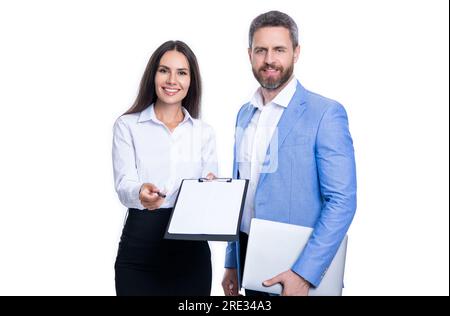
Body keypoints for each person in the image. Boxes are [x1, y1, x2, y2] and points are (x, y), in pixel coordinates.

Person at [222, 11, 357, 296]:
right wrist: (231, 262)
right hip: (249, 261)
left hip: (300, 269)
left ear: (296, 52)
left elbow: (342, 201)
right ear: (249, 55)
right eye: (261, 50)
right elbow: (242, 195)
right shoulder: (244, 114)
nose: (269, 59)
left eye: (279, 49)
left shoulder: (325, 114)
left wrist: (304, 274)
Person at [112, 40, 217, 296]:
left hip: (191, 252)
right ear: (153, 75)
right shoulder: (127, 126)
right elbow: (124, 184)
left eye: (182, 72)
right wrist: (140, 193)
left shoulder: (203, 133)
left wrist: (212, 189)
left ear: (191, 80)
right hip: (140, 250)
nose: (172, 80)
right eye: (164, 70)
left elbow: (209, 190)